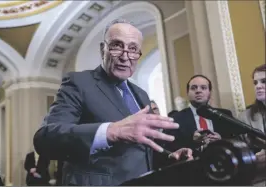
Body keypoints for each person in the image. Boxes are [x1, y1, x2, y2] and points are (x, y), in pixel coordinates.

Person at [33, 19, 192, 186]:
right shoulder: (78, 82)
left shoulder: (141, 94)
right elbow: (46, 139)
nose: (125, 57)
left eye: (132, 49)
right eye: (117, 46)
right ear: (103, 49)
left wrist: (169, 156)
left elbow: (142, 150)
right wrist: (111, 131)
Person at [164, 75, 238, 155]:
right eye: (193, 88)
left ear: (209, 92)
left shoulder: (224, 115)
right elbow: (169, 148)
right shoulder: (175, 119)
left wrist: (221, 140)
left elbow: (237, 141)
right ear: (188, 93)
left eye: (203, 88)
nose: (198, 91)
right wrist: (192, 141)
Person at [238, 64, 266, 154]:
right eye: (255, 83)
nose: (258, 86)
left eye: (264, 81)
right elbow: (242, 150)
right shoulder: (245, 116)